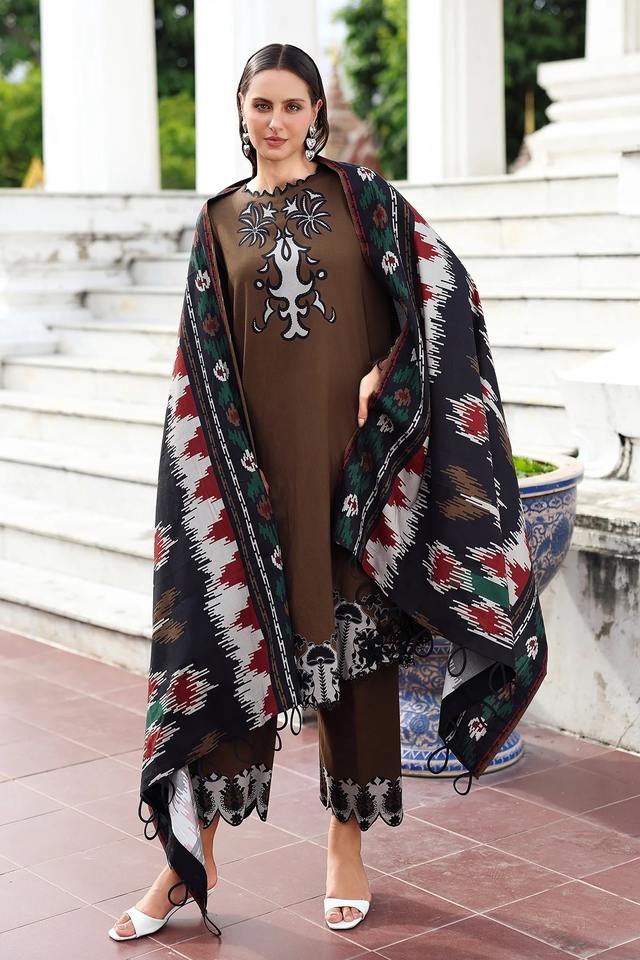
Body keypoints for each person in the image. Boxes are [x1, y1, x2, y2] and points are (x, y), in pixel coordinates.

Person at [109, 41, 548, 943]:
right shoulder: (217, 222)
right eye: (261, 105)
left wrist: (392, 369)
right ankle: (192, 857)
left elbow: (445, 293)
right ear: (241, 111)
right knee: (232, 652)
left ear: (316, 112)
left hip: (356, 476)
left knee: (356, 660)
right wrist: (219, 477)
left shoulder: (364, 201)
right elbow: (199, 362)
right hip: (255, 481)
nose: (276, 122)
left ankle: (346, 847)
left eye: (293, 105)